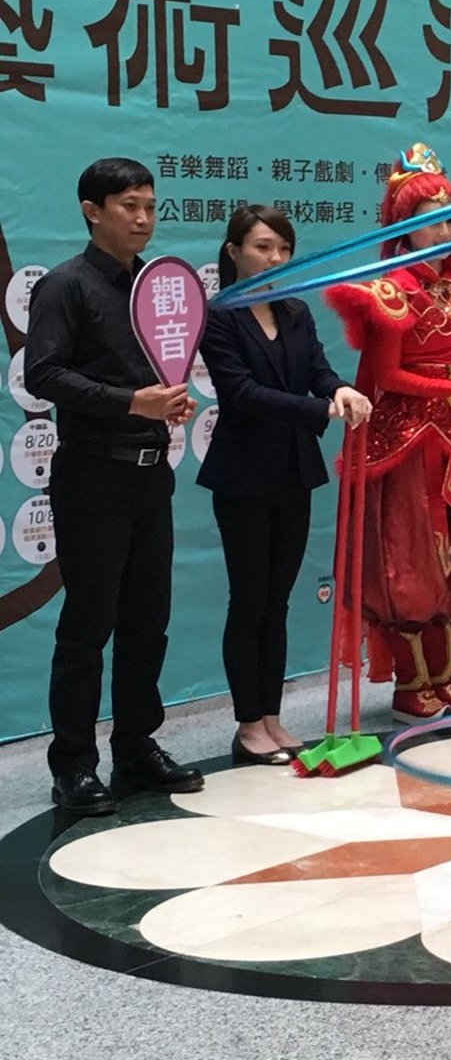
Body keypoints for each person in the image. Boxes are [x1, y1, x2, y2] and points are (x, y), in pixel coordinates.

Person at [24, 157, 202, 815]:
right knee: (87, 625)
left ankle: (135, 746)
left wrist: (167, 403)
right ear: (91, 210)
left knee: (147, 622)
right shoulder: (65, 285)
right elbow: (43, 374)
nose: (143, 218)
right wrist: (131, 402)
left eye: (150, 206)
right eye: (129, 206)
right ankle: (73, 764)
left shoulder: (157, 286)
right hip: (92, 475)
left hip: (152, 476)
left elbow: (157, 375)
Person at [326, 143, 451, 723]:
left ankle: (444, 676)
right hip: (411, 440)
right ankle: (412, 685)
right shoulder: (391, 289)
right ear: (403, 226)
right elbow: (388, 376)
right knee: (412, 557)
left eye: (450, 218)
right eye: (431, 220)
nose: (444, 230)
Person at [198, 205, 371, 764]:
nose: (275, 258)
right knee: (249, 600)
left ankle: (272, 717)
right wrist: (318, 409)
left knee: (278, 601)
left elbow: (318, 370)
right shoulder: (218, 317)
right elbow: (241, 393)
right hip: (243, 473)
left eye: (283, 249)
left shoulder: (296, 310)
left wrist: (340, 389)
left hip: (294, 470)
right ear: (234, 253)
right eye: (262, 247)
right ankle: (248, 724)